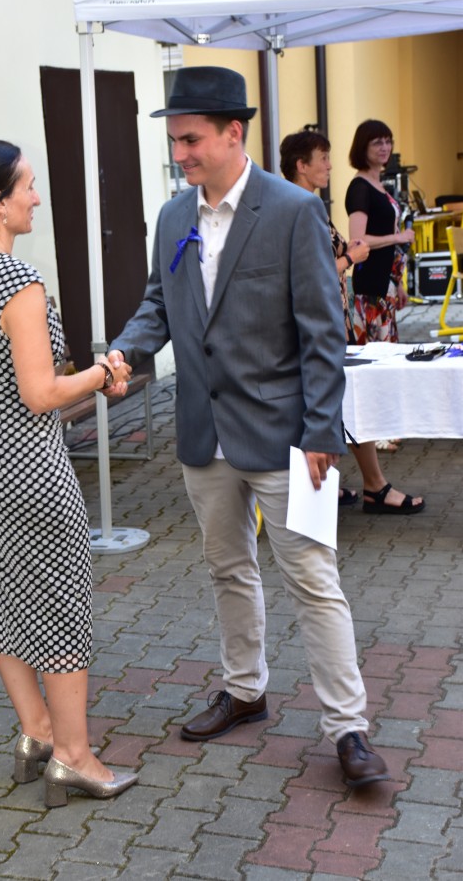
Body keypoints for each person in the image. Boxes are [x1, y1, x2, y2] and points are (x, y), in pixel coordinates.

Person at [107, 67, 389, 787]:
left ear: (234, 133)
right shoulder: (173, 216)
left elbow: (322, 333)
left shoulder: (293, 210)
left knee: (313, 579)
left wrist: (322, 430)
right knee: (227, 568)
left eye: (191, 139)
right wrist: (123, 352)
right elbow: (158, 304)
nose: (180, 154)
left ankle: (348, 727)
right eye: (174, 140)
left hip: (287, 437)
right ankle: (244, 691)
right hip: (203, 435)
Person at [0, 138, 137, 808]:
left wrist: (93, 378)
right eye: (28, 187)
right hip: (27, 466)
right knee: (62, 604)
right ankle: (75, 757)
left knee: (8, 594)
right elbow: (40, 392)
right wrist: (101, 373)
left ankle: (38, 732)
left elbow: (17, 378)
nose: (37, 199)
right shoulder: (17, 280)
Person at [280, 129, 424, 516]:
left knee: (337, 401)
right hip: (317, 326)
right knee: (345, 400)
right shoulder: (299, 208)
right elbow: (309, 275)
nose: (330, 166)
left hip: (329, 320)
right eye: (323, 158)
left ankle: (327, 484)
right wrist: (352, 258)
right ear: (301, 165)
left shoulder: (305, 204)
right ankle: (369, 486)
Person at [345, 119, 415, 345]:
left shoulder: (378, 185)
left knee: (388, 350)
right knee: (377, 355)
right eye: (377, 142)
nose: (385, 147)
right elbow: (358, 240)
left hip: (386, 283)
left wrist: (397, 283)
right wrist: (399, 237)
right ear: (362, 147)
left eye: (388, 141)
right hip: (371, 285)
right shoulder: (360, 188)